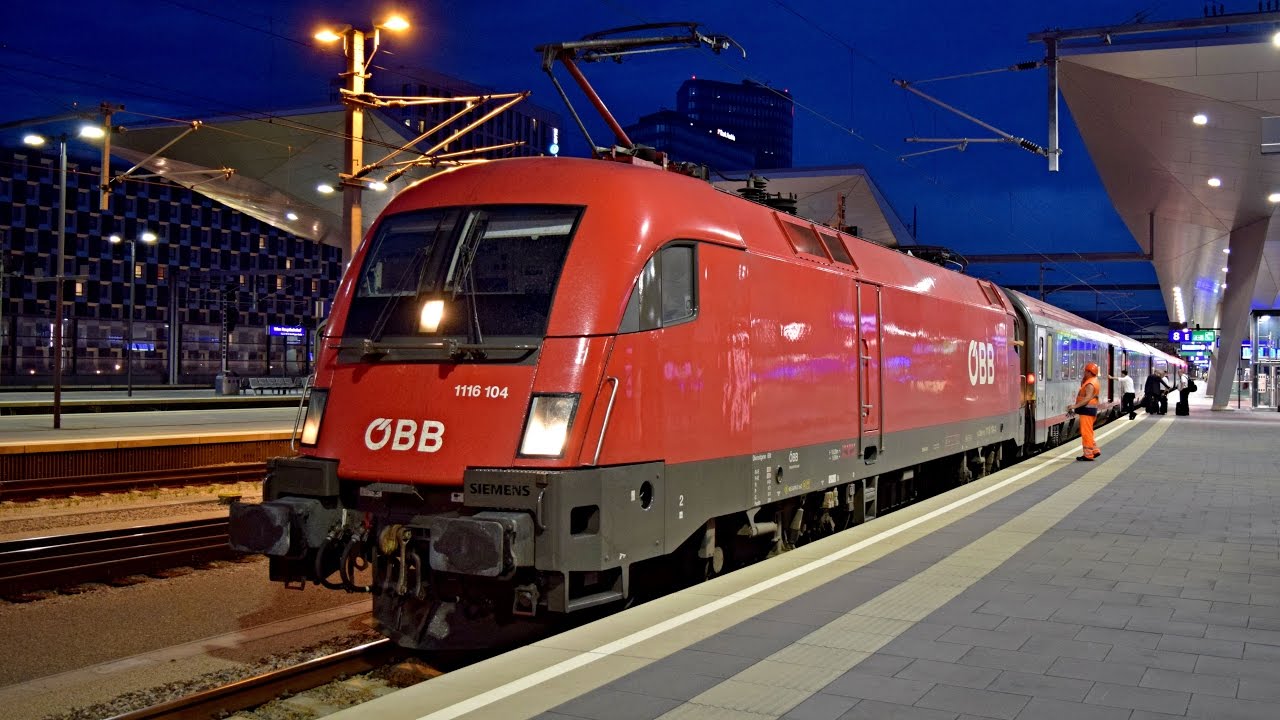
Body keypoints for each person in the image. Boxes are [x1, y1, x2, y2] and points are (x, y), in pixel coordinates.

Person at [1067, 361, 1102, 461]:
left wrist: (1075, 406)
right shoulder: (1092, 380)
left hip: (1087, 410)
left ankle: (1088, 455)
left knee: (1086, 432)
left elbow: (1087, 398)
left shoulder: (1090, 383)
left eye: (1085, 371)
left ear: (1089, 372)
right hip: (1089, 410)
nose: (1084, 373)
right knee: (1089, 432)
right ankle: (1094, 450)